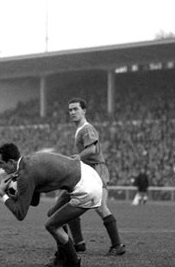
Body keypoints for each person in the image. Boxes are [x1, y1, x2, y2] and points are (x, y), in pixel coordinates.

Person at [0, 142, 102, 267]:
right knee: (53, 215)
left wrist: (2, 194)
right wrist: (18, 195)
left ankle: (73, 262)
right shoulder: (28, 162)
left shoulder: (25, 175)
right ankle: (61, 258)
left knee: (52, 226)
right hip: (88, 174)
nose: (1, 167)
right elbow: (34, 202)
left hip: (87, 187)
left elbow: (20, 214)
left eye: (1, 163)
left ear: (11, 162)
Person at [49, 97, 125, 256]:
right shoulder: (79, 130)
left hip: (96, 171)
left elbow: (91, 150)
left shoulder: (87, 129)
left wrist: (77, 157)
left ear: (84, 110)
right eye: (70, 110)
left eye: (75, 109)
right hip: (83, 173)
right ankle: (78, 243)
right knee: (63, 207)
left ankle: (117, 245)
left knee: (100, 208)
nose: (72, 112)